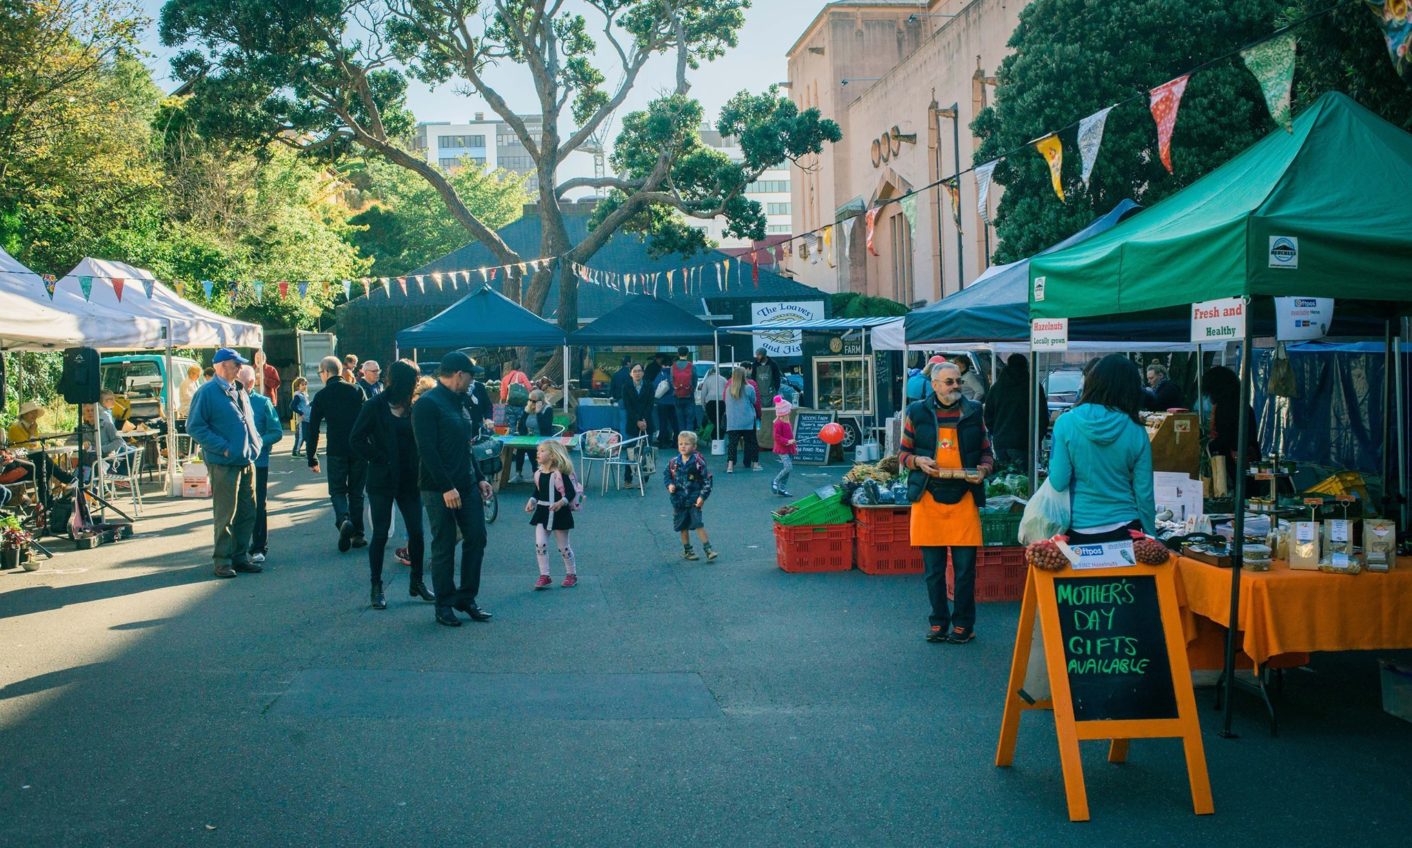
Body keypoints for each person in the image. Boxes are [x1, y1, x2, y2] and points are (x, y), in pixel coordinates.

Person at [899, 361, 993, 645]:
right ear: (936, 385)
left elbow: (988, 454)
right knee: (933, 571)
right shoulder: (917, 412)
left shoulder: (974, 412)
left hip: (964, 497)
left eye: (958, 381)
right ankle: (938, 622)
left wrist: (984, 471)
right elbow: (903, 454)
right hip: (928, 498)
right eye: (949, 382)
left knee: (965, 570)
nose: (956, 386)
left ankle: (964, 624)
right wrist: (917, 461)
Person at [414, 351, 495, 627]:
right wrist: (446, 486)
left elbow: (465, 445)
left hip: (467, 483)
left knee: (477, 537)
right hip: (438, 488)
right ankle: (444, 604)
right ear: (459, 374)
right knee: (445, 544)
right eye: (471, 376)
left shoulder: (459, 402)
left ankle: (466, 597)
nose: (473, 381)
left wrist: (481, 476)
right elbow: (427, 450)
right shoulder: (427, 404)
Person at [350, 359, 435, 610]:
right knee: (380, 533)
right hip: (382, 479)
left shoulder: (413, 406)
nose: (416, 384)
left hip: (409, 478)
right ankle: (376, 586)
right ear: (402, 381)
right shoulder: (375, 405)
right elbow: (356, 439)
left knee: (417, 533)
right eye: (414, 380)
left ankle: (416, 581)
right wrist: (380, 458)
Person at [1048, 354, 1157, 544]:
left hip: (1078, 529)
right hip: (1126, 529)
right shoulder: (1136, 430)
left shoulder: (1065, 422)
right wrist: (1151, 536)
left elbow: (1058, 481)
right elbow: (1144, 493)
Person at [185, 348, 262, 579]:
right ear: (221, 366)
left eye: (239, 364)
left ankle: (240, 556)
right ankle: (223, 560)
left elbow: (248, 421)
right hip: (225, 463)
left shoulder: (239, 389)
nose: (239, 368)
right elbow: (195, 427)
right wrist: (223, 447)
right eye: (235, 364)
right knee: (226, 513)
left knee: (248, 511)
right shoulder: (207, 392)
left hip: (246, 459)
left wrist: (255, 443)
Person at [307, 355, 368, 552]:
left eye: (320, 373)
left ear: (326, 372)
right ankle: (358, 534)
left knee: (337, 490)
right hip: (358, 449)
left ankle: (343, 519)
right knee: (357, 493)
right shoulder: (357, 390)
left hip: (336, 450)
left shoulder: (322, 396)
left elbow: (313, 428)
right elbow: (369, 418)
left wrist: (312, 456)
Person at [237, 364, 283, 564]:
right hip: (235, 461)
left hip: (258, 461)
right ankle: (236, 548)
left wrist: (259, 442)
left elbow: (277, 431)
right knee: (235, 505)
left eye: (239, 383)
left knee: (258, 504)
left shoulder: (263, 403)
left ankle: (258, 546)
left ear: (250, 383)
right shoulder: (230, 400)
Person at [524, 440, 579, 590]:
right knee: (540, 544)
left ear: (553, 456)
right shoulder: (539, 473)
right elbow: (538, 491)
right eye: (538, 451)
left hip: (560, 513)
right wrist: (532, 500)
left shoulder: (560, 474)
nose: (538, 453)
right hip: (542, 512)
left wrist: (562, 502)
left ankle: (571, 574)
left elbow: (570, 492)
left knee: (563, 547)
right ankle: (544, 575)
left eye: (542, 451)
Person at [1202, 365, 1261, 482]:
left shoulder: (1225, 407)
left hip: (1233, 460)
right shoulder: (1241, 403)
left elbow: (1226, 436)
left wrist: (1208, 446)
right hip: (1249, 455)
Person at [664, 430, 716, 561]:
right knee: (683, 526)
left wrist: (702, 497)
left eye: (686, 444)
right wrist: (669, 485)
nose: (683, 446)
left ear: (694, 447)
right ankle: (688, 550)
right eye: (680, 443)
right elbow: (667, 476)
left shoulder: (698, 463)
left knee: (698, 523)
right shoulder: (673, 462)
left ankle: (708, 549)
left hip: (693, 499)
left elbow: (707, 481)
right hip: (678, 500)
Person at [983, 354, 1031, 469]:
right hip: (1024, 442)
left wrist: (997, 431)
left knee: (1003, 477)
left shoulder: (997, 388)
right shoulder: (1032, 387)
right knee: (1022, 480)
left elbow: (988, 415)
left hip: (1001, 441)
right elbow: (1042, 416)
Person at [511, 389, 555, 483]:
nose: (531, 402)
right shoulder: (528, 408)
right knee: (520, 448)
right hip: (529, 437)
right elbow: (521, 425)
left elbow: (545, 427)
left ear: (541, 401)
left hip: (542, 437)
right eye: (530, 400)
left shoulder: (547, 409)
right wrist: (526, 412)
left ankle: (536, 473)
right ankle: (518, 473)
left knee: (532, 449)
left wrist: (538, 413)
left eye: (534, 401)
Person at [722, 368, 758, 474]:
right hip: (747, 420)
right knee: (752, 442)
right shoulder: (749, 388)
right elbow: (754, 401)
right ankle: (755, 464)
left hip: (733, 420)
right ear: (744, 376)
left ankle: (730, 466)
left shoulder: (729, 389)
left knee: (732, 444)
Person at [771, 395, 797, 497]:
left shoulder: (787, 421)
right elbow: (776, 437)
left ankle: (782, 488)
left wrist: (792, 443)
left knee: (788, 470)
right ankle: (775, 481)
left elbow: (789, 434)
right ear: (784, 412)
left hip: (788, 448)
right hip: (782, 449)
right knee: (788, 467)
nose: (790, 411)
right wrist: (788, 441)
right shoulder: (778, 423)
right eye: (788, 409)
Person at [694, 365, 727, 439]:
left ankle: (713, 437)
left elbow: (703, 394)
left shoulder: (707, 380)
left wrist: (703, 406)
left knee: (714, 421)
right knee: (720, 421)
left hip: (710, 403)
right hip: (722, 402)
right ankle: (719, 437)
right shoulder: (724, 379)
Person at [670, 346, 697, 434]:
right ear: (687, 354)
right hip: (689, 396)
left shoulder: (673, 366)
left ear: (678, 354)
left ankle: (682, 442)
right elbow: (695, 381)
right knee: (689, 420)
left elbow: (671, 381)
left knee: (680, 421)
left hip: (677, 396)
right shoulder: (691, 366)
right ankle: (689, 441)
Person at [652, 361, 677, 449]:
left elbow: (654, 385)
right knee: (674, 423)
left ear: (663, 365)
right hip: (673, 402)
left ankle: (662, 441)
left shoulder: (661, 374)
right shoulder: (674, 373)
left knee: (663, 423)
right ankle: (676, 442)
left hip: (662, 403)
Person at [289, 377, 310, 457]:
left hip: (307, 419)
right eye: (302, 385)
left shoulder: (304, 395)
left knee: (308, 436)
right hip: (302, 420)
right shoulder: (298, 395)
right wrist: (300, 413)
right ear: (298, 386)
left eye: (305, 384)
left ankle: (310, 451)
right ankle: (296, 451)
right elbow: (292, 406)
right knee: (301, 436)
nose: (304, 386)